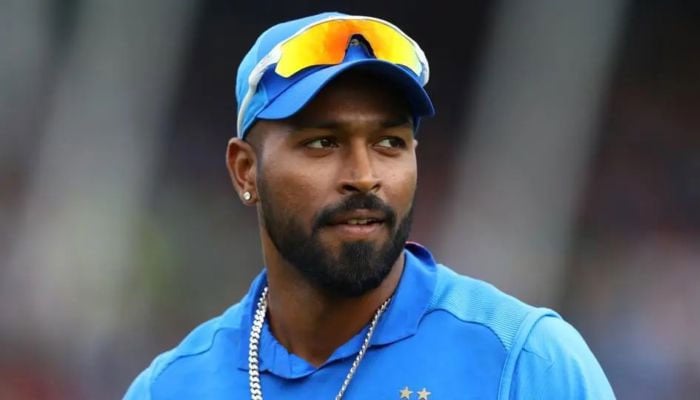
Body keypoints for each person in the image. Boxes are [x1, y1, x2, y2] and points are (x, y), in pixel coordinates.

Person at [124, 11, 615, 399]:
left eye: (389, 143)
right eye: (322, 143)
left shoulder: (525, 363)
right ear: (245, 170)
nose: (364, 176)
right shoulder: (170, 388)